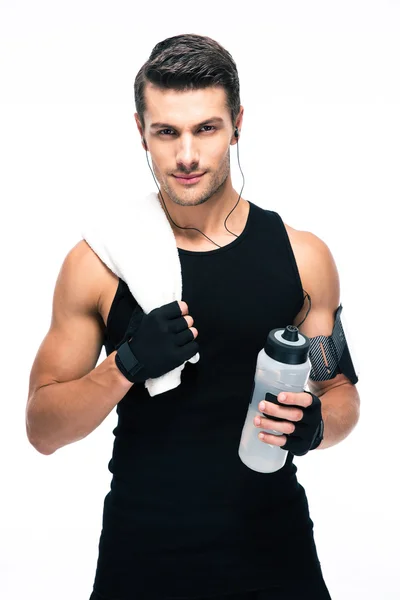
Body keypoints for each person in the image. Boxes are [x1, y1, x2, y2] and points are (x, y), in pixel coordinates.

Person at [26, 34, 360, 600]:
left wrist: (317, 426)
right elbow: (42, 429)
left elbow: (340, 390)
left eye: (206, 128)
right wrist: (126, 364)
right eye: (167, 132)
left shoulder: (302, 257)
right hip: (143, 558)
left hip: (275, 555)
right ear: (141, 132)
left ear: (236, 123)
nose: (186, 156)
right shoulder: (98, 264)